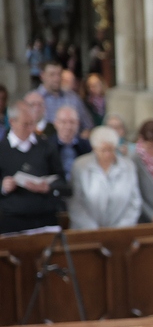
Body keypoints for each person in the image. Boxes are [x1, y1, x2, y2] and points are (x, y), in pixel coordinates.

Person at [0, 100, 68, 234]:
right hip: (12, 220)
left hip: (45, 218)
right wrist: (3, 186)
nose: (31, 129)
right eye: (26, 124)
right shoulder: (2, 149)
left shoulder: (46, 146)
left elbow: (62, 182)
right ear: (12, 122)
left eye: (33, 123)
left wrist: (48, 187)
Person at [67, 125, 142, 230]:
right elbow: (75, 203)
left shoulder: (128, 166)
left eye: (110, 150)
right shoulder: (80, 166)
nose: (107, 154)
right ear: (94, 148)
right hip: (86, 231)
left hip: (121, 232)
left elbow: (134, 202)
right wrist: (94, 230)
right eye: (103, 150)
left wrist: (119, 229)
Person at [36, 61, 93, 133]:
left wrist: (83, 136)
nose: (56, 79)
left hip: (72, 139)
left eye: (59, 74)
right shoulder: (34, 99)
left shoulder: (73, 98)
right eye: (52, 74)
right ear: (42, 75)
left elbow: (88, 126)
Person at [52, 105, 92, 183]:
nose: (68, 127)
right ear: (56, 123)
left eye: (72, 122)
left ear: (78, 123)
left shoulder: (86, 146)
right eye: (63, 122)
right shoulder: (48, 145)